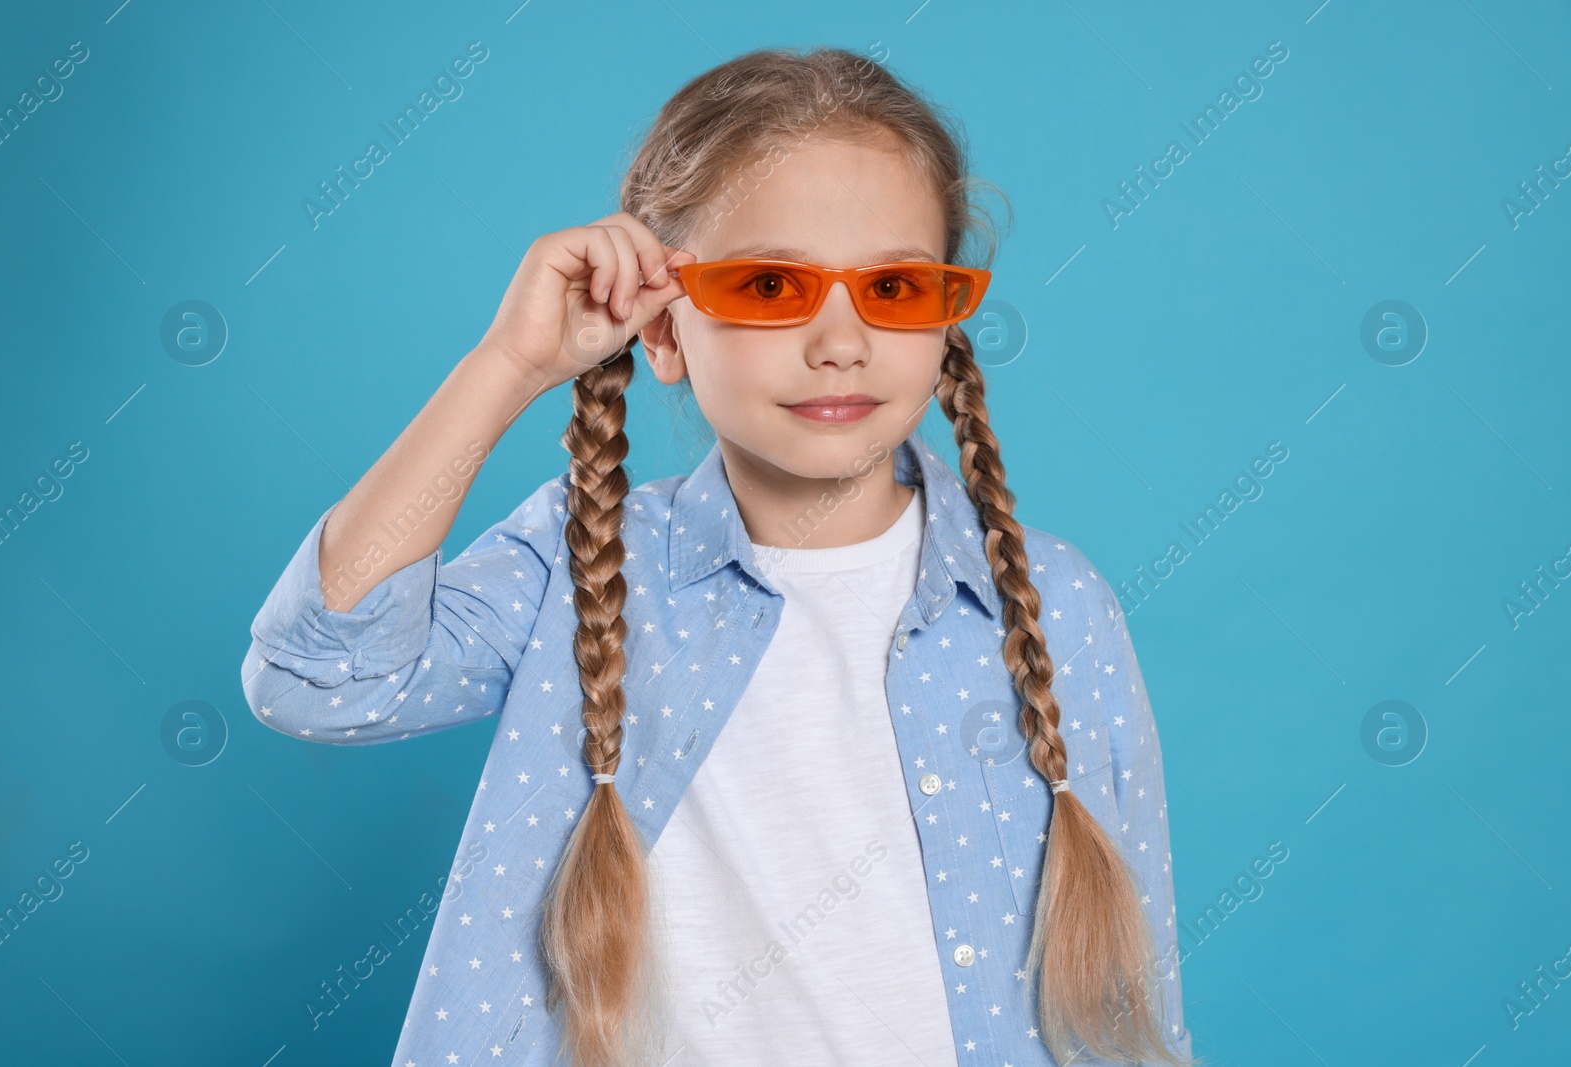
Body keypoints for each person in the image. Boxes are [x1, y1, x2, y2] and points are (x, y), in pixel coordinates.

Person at [241, 45, 1197, 1067]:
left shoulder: (1058, 605)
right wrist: (508, 365)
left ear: (943, 318)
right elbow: (319, 679)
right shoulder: (580, 559)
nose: (841, 340)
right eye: (773, 282)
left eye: (895, 285)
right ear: (661, 331)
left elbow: (1134, 1006)